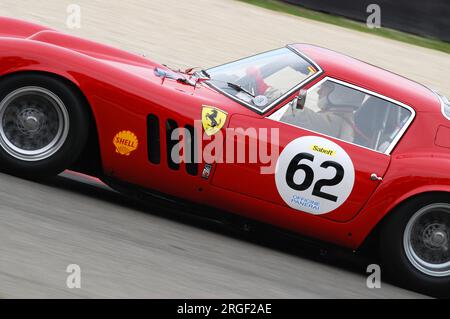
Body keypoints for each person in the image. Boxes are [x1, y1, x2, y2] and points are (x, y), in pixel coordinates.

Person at [281, 81, 364, 143]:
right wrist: (303, 90)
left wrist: (270, 92)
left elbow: (296, 115)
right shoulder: (342, 118)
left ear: (339, 93)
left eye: (324, 87)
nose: (318, 91)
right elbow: (299, 111)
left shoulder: (335, 122)